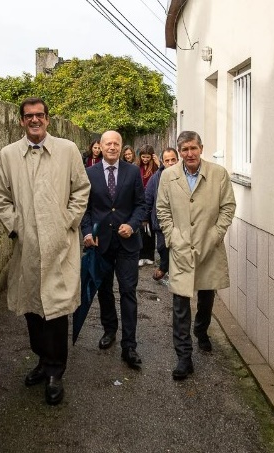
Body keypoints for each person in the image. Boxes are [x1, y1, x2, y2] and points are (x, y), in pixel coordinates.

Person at [0, 97, 91, 405]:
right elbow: (0, 197)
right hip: (28, 247)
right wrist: (17, 227)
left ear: (48, 119)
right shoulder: (8, 155)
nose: (35, 120)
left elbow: (81, 189)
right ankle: (41, 359)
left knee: (57, 311)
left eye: (40, 115)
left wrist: (67, 221)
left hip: (60, 246)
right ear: (21, 121)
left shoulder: (68, 150)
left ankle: (54, 373)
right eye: (29, 116)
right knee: (33, 309)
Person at [156, 131, 236, 380]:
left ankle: (201, 330)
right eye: (184, 150)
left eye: (193, 148)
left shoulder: (218, 174)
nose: (189, 154)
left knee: (206, 296)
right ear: (179, 152)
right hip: (180, 248)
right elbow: (162, 209)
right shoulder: (169, 176)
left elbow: (228, 207)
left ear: (201, 148)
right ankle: (184, 357)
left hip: (208, 246)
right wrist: (172, 237)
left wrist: (215, 235)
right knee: (180, 303)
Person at [81, 130, 146, 369]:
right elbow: (84, 209)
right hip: (101, 244)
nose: (112, 147)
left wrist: (132, 224)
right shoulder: (89, 173)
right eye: (107, 143)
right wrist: (87, 233)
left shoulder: (132, 171)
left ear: (121, 146)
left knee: (128, 291)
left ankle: (129, 345)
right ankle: (110, 330)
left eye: (116, 143)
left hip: (127, 244)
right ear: (100, 145)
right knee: (105, 290)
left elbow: (141, 204)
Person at [144, 147, 179, 282]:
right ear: (162, 162)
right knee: (162, 248)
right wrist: (145, 218)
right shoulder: (155, 178)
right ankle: (164, 267)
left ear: (178, 160)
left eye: (173, 160)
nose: (170, 163)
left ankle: (171, 273)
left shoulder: (185, 177)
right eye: (167, 160)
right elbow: (148, 199)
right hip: (160, 223)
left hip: (180, 223)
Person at [136, 144, 159, 267]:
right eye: (143, 157)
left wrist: (157, 162)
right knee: (140, 230)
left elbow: (163, 174)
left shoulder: (155, 168)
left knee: (151, 230)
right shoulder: (136, 167)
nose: (145, 159)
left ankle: (149, 255)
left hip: (152, 201)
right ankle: (140, 255)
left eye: (147, 157)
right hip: (140, 201)